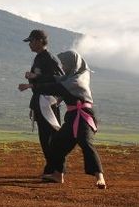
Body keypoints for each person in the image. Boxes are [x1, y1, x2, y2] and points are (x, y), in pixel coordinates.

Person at [19, 50, 106, 188]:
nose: (63, 67)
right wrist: (36, 77)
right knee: (57, 143)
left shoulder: (76, 81)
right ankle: (58, 174)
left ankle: (100, 177)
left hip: (83, 114)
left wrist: (31, 85)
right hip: (72, 116)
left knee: (85, 143)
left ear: (73, 64)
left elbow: (55, 86)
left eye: (65, 64)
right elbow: (55, 79)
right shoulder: (70, 77)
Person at [22, 29, 64, 178]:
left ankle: (57, 170)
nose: (29, 45)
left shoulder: (49, 58)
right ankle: (52, 168)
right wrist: (32, 79)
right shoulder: (39, 58)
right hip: (40, 101)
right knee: (45, 138)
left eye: (31, 41)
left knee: (52, 137)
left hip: (49, 103)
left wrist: (35, 76)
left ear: (40, 40)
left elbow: (60, 79)